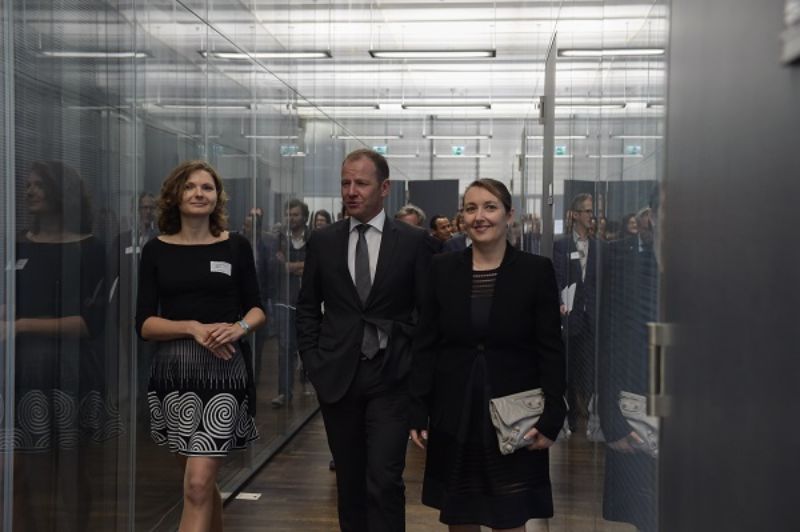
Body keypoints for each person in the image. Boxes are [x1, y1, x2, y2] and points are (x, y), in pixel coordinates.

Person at [409, 178, 566, 531]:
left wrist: (553, 415)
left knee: (509, 516)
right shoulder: (442, 269)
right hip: (455, 412)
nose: (479, 216)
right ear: (462, 217)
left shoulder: (535, 270)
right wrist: (418, 407)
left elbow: (551, 349)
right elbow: (425, 344)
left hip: (515, 417)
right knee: (460, 514)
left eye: (490, 207)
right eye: (471, 208)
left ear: (509, 215)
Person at [296, 148, 437, 532]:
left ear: (384, 188)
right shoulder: (323, 241)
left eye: (361, 183)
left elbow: (427, 315)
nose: (351, 191)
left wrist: (415, 373)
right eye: (345, 183)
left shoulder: (413, 242)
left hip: (391, 377)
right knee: (350, 480)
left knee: (384, 479)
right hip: (337, 375)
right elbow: (307, 307)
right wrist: (313, 361)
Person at [135, 160, 265, 532]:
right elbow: (144, 324)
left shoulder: (236, 246)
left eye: (207, 187)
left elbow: (257, 309)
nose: (198, 193)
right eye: (190, 186)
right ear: (175, 195)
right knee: (200, 485)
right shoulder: (155, 250)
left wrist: (239, 328)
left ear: (217, 197)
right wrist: (191, 327)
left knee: (196, 485)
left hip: (223, 372)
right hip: (174, 375)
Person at [8, 161, 111, 531]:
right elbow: (9, 300)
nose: (30, 191)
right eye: (28, 185)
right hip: (18, 369)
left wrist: (19, 326)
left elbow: (89, 324)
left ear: (60, 191)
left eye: (38, 185)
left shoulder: (91, 248)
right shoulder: (17, 244)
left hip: (69, 368)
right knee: (14, 472)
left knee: (71, 471)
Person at [553, 193, 599, 431]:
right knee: (570, 369)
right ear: (576, 215)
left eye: (592, 211)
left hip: (593, 318)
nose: (592, 216)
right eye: (588, 211)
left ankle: (583, 414)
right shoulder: (562, 245)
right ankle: (574, 416)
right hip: (571, 317)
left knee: (588, 369)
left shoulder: (600, 247)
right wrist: (560, 302)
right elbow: (557, 276)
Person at [271, 198, 310, 407]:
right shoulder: (278, 239)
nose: (291, 218)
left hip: (308, 301)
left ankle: (311, 383)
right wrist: (298, 266)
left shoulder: (314, 237)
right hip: (284, 299)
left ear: (304, 217)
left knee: (307, 345)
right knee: (285, 347)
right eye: (287, 214)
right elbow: (276, 266)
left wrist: (289, 265)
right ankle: (284, 392)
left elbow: (314, 265)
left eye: (295, 214)